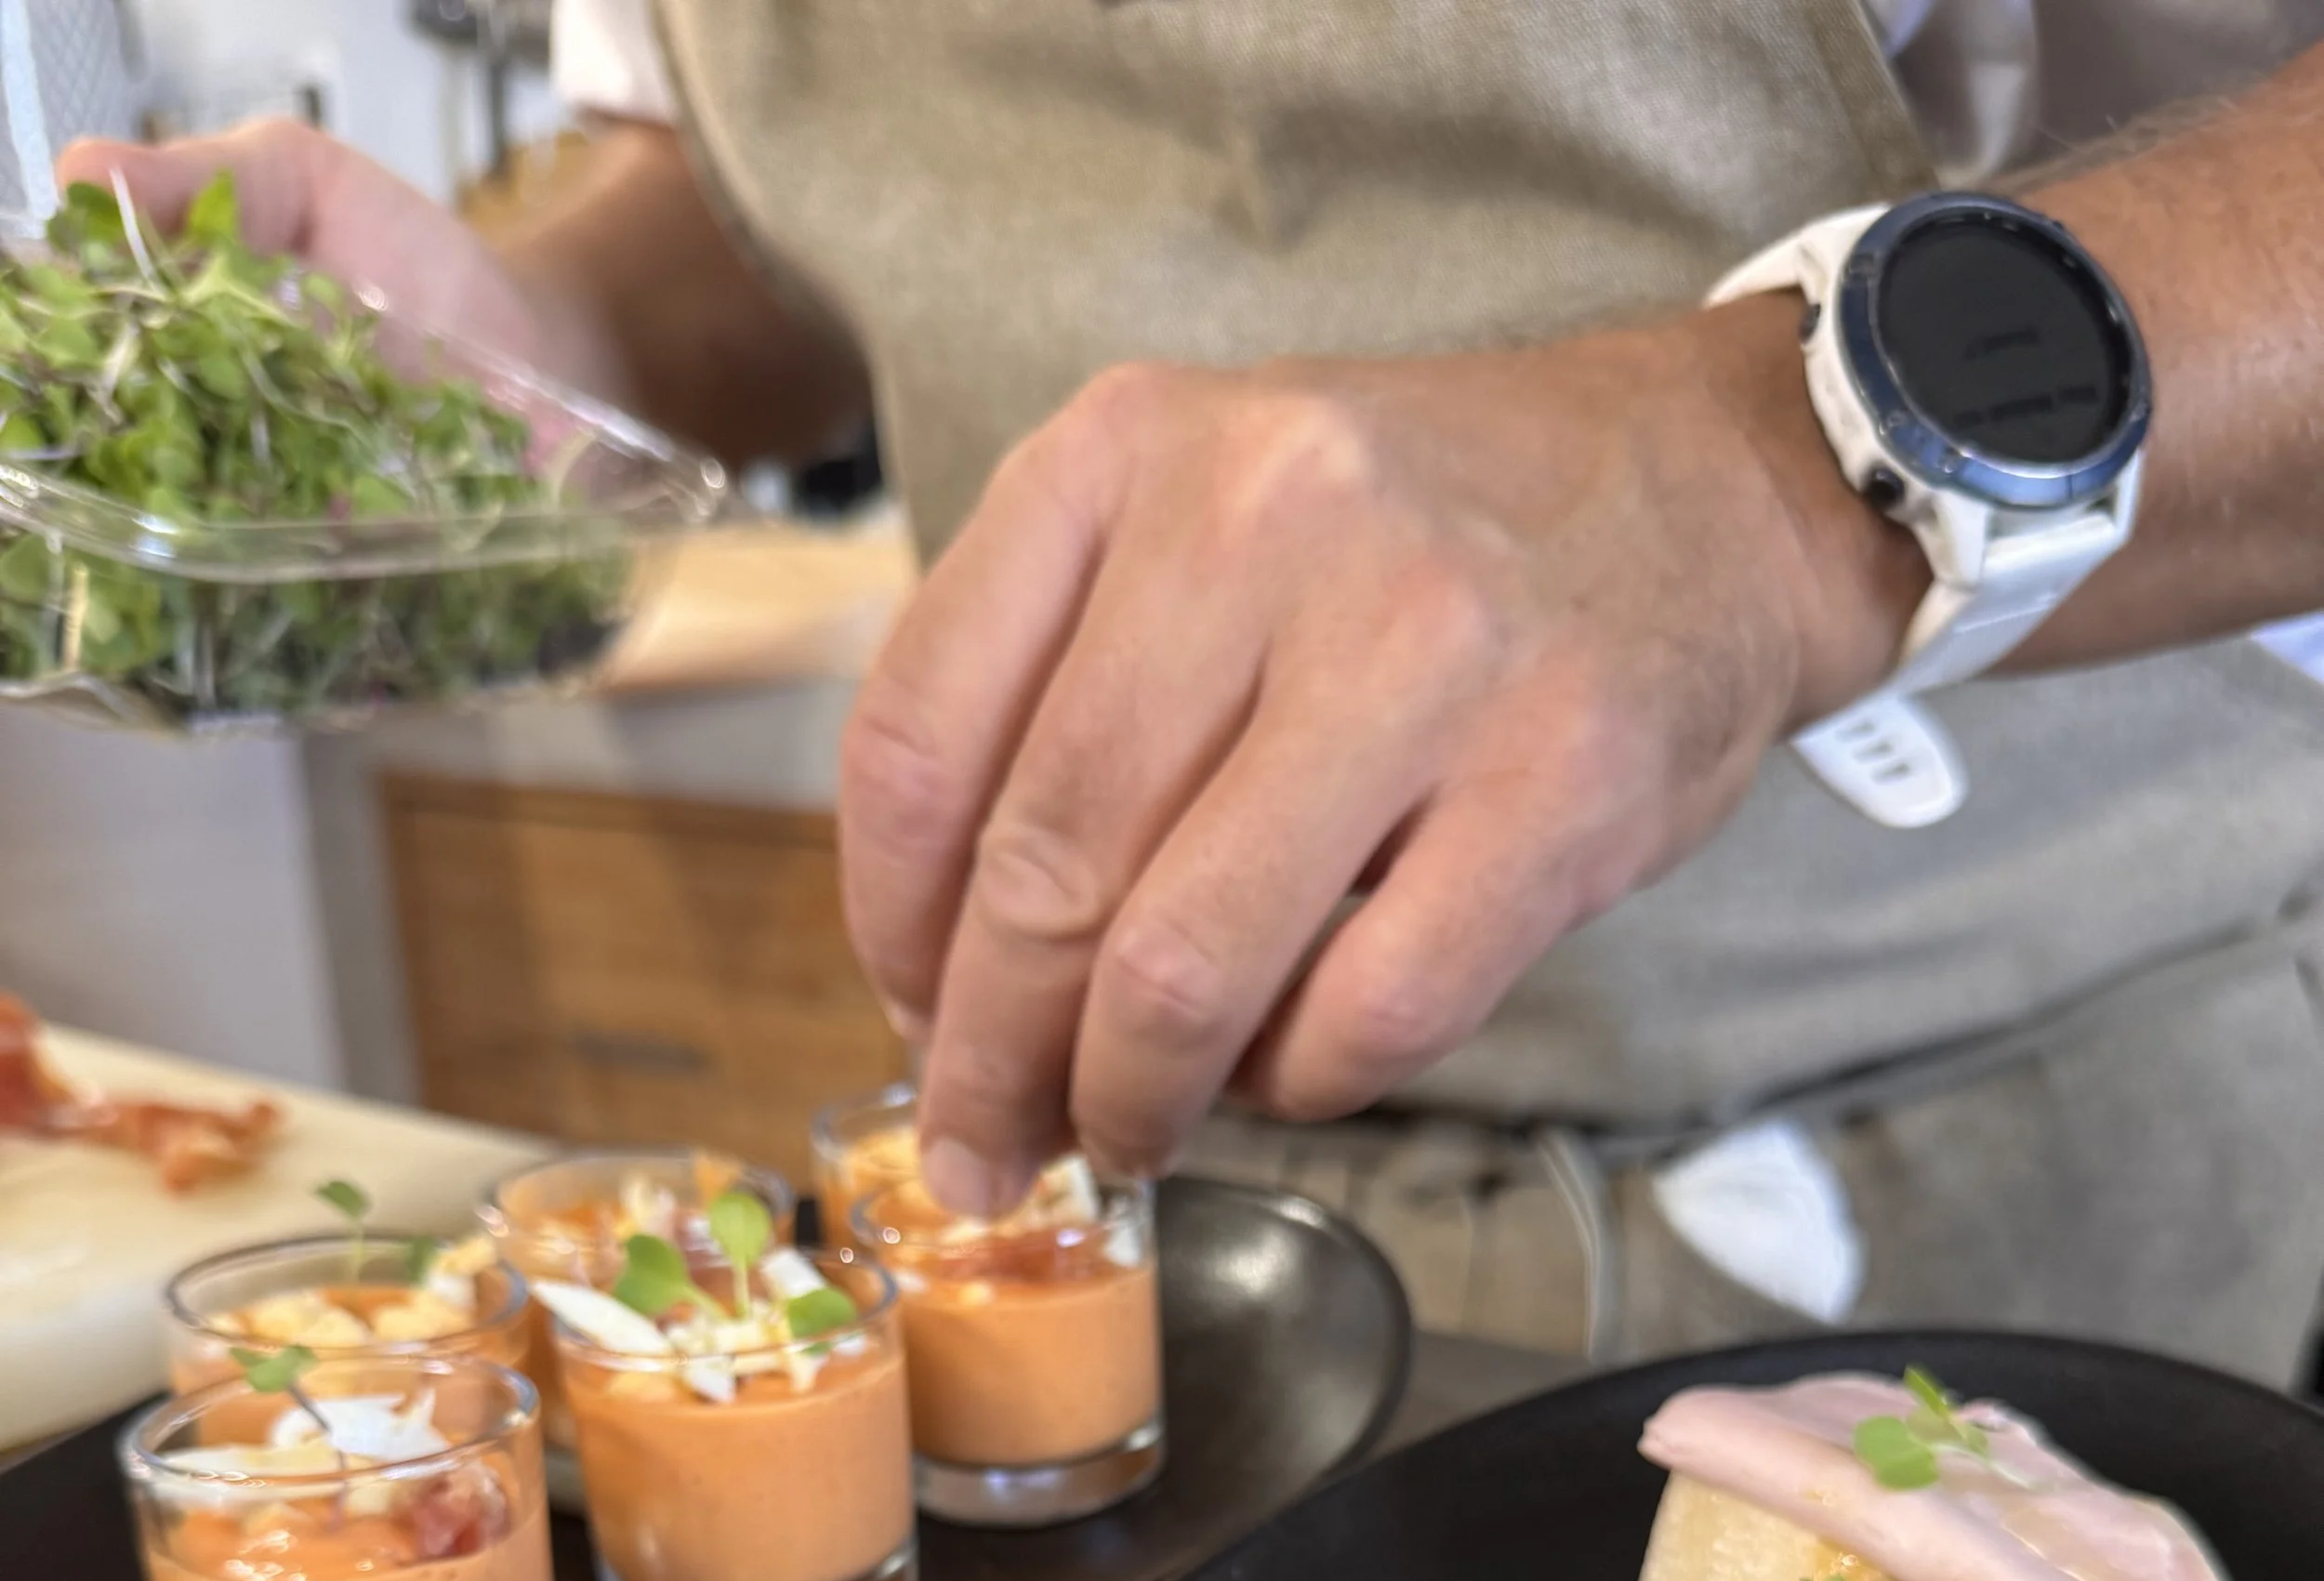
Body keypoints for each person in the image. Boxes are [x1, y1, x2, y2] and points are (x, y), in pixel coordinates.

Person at [62, 9, 2324, 1376]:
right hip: (1121, 1199)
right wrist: (527, 344)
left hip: (1983, 1166)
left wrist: (1768, 465)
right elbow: (799, 207)